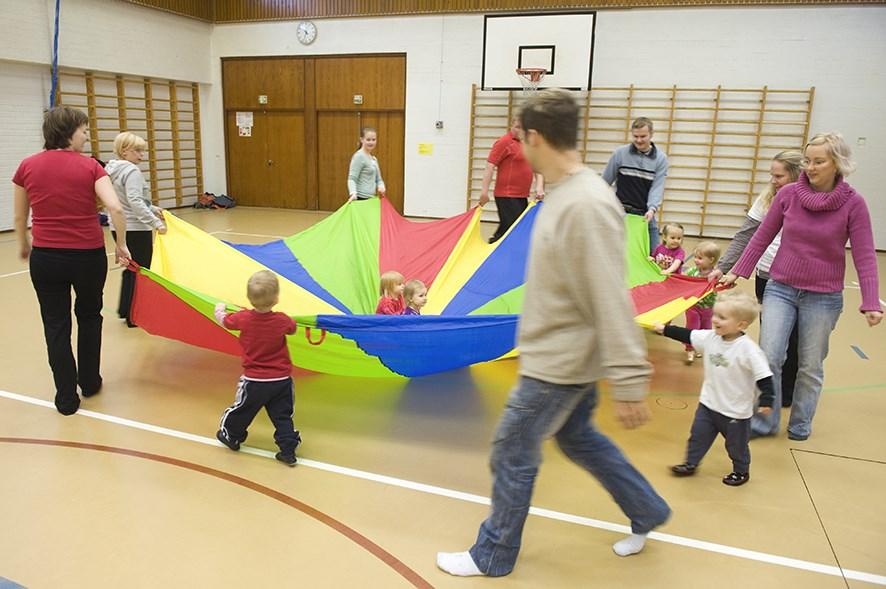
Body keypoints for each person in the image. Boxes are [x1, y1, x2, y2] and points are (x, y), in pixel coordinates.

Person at [436, 89, 670, 578]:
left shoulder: (585, 204)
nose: (519, 148)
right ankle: (646, 509)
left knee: (511, 451)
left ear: (536, 137)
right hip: (563, 353)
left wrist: (628, 378)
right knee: (578, 438)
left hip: (559, 362)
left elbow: (609, 295)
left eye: (522, 139)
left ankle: (493, 554)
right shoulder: (566, 194)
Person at [723, 133, 882, 441]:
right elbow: (762, 236)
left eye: (818, 161)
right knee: (769, 356)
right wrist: (736, 271)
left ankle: (800, 421)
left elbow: (864, 254)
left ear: (837, 164)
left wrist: (871, 301)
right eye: (808, 160)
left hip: (823, 297)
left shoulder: (854, 204)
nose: (810, 167)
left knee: (809, 365)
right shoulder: (789, 195)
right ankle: (765, 421)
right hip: (780, 287)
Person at [13, 106, 130, 416]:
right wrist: (121, 245)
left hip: (46, 258)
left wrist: (24, 244)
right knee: (90, 316)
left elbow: (20, 216)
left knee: (56, 323)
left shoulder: (27, 166)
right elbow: (115, 208)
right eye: (84, 130)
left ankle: (66, 397)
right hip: (88, 257)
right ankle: (89, 382)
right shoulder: (91, 167)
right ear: (68, 133)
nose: (87, 135)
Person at [653, 289, 775, 486]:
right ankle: (691, 463)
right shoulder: (710, 337)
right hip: (708, 405)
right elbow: (688, 334)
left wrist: (767, 400)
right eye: (715, 315)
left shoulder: (748, 350)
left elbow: (764, 377)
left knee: (736, 446)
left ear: (741, 324)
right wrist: (664, 329)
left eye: (722, 317)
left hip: (735, 412)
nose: (715, 320)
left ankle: (741, 470)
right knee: (698, 437)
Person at [711, 151, 803, 407]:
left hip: (797, 277)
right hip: (767, 276)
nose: (773, 180)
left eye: (779, 176)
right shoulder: (766, 200)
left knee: (796, 340)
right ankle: (770, 391)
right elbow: (745, 236)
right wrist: (724, 266)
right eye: (771, 175)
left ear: (796, 175)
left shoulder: (807, 201)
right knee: (772, 340)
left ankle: (788, 389)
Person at [214, 270, 301, 466]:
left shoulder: (243, 318)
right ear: (277, 297)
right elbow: (293, 328)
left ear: (249, 298)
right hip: (281, 381)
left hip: (255, 381)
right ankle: (288, 449)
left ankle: (231, 436)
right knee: (282, 415)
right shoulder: (282, 320)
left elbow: (226, 321)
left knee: (242, 410)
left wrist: (219, 309)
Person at [105, 132, 166, 328]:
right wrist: (155, 223)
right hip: (135, 228)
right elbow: (135, 201)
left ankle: (126, 309)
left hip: (119, 226)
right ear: (125, 151)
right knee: (141, 270)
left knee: (131, 269)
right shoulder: (131, 171)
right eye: (137, 151)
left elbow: (130, 200)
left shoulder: (112, 170)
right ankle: (135, 315)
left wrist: (155, 210)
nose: (142, 155)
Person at [602, 117, 669, 251]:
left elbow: (657, 187)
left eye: (643, 136)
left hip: (644, 214)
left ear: (651, 134)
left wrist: (652, 209)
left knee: (654, 252)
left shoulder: (660, 159)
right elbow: (605, 181)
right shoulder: (620, 153)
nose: (639, 140)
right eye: (635, 136)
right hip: (620, 212)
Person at [479, 116, 545, 243]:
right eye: (517, 127)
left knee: (510, 228)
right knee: (513, 229)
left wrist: (539, 187)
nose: (519, 130)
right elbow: (490, 166)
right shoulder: (504, 142)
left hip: (521, 196)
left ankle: (495, 247)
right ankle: (493, 251)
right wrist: (484, 192)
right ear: (511, 126)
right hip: (506, 195)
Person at [683, 241, 721, 364]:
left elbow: (721, 284)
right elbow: (683, 279)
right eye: (695, 257)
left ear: (711, 260)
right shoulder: (692, 272)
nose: (696, 260)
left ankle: (699, 347)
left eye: (700, 258)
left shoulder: (715, 275)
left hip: (708, 308)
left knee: (706, 329)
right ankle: (690, 349)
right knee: (692, 327)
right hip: (693, 306)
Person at [347, 127, 386, 201]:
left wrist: (381, 186)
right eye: (368, 140)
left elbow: (379, 179)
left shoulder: (373, 159)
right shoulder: (359, 156)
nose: (371, 142)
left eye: (373, 140)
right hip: (360, 198)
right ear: (362, 140)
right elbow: (352, 178)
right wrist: (353, 193)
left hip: (371, 198)